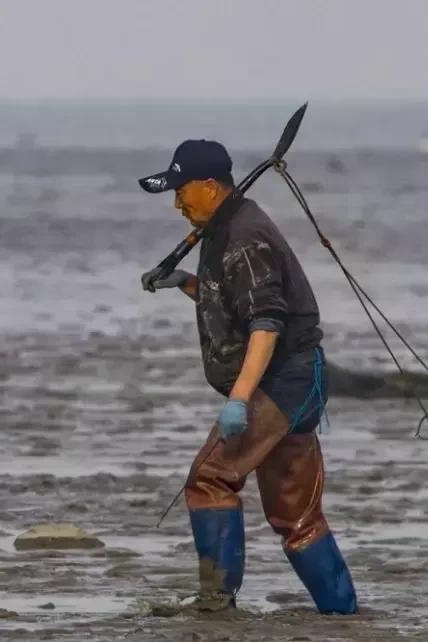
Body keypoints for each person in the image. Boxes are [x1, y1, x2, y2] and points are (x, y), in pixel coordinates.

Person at [138, 139, 357, 615]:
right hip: (298, 381)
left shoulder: (244, 238)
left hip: (283, 382)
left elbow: (265, 324)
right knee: (295, 514)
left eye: (182, 191)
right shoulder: (224, 228)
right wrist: (187, 285)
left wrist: (239, 399)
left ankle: (216, 603)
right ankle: (341, 614)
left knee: (211, 479)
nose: (177, 203)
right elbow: (235, 304)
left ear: (211, 186)